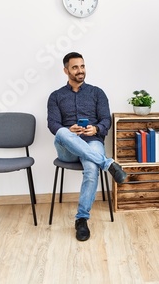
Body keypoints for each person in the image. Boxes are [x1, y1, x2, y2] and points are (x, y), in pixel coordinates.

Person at [47, 51, 127, 241]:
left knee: (91, 168)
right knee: (61, 132)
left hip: (92, 142)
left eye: (82, 66)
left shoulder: (97, 93)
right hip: (67, 147)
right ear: (66, 70)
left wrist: (95, 129)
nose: (80, 71)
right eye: (75, 67)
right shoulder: (56, 96)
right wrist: (70, 130)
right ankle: (108, 164)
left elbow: (106, 120)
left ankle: (81, 219)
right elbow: (53, 124)